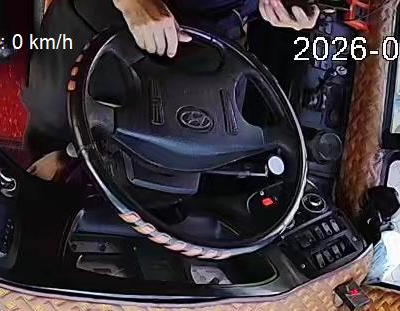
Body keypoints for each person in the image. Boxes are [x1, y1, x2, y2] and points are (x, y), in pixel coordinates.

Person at [24, 0, 319, 180]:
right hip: (112, 10)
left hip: (212, 34)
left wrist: (288, 8)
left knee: (174, 173)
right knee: (56, 122)